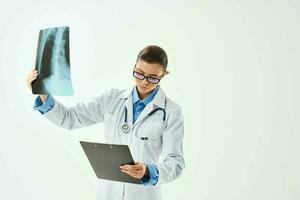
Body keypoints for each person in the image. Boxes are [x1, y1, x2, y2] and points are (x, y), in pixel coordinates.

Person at [27, 45, 185, 200]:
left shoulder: (171, 111)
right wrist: (43, 94)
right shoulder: (112, 100)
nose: (144, 82)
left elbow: (176, 163)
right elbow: (70, 119)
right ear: (134, 67)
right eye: (139, 73)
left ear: (164, 74)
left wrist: (148, 170)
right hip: (109, 192)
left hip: (144, 194)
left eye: (153, 77)